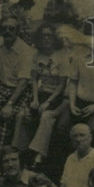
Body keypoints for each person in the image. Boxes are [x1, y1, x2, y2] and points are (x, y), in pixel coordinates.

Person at [0, 15, 34, 149]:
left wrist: (9, 104)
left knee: (7, 115)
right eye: (4, 28)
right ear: (0, 30)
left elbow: (23, 82)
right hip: (3, 86)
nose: (7, 31)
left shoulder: (25, 50)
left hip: (21, 89)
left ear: (18, 31)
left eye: (11, 28)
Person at [22, 23, 73, 166]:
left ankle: (38, 155)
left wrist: (48, 102)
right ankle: (20, 150)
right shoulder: (37, 56)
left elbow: (62, 84)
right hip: (41, 93)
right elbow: (34, 79)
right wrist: (35, 99)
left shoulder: (61, 56)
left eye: (49, 35)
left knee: (45, 115)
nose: (46, 38)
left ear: (54, 38)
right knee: (23, 115)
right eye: (43, 35)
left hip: (56, 96)